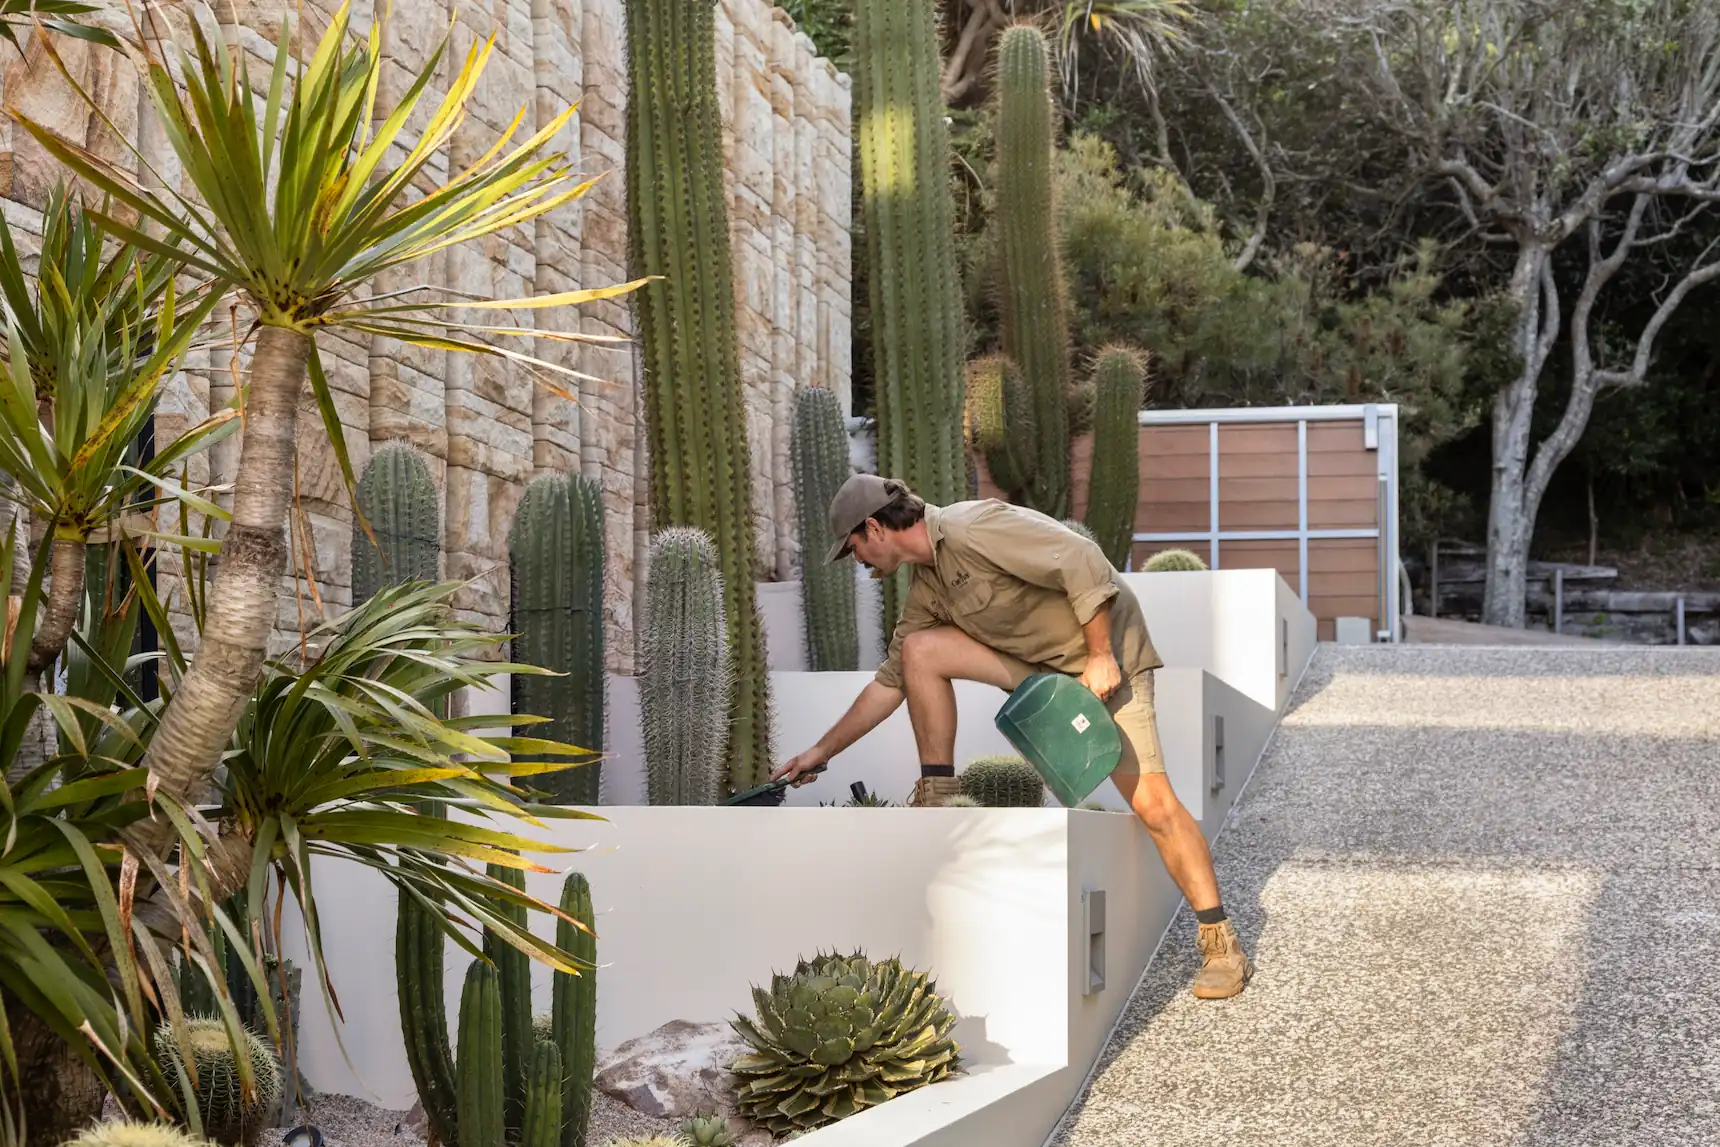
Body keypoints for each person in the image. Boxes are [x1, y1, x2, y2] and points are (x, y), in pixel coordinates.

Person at [770, 474, 1253, 1000]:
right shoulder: (926, 589)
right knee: (918, 653)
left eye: (854, 547)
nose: (857, 560)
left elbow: (1082, 560)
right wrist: (820, 751)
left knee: (1154, 806)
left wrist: (1100, 656)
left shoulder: (972, 527)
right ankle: (938, 796)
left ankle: (1220, 944)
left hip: (1108, 660)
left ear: (875, 528)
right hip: (1044, 672)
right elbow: (890, 685)